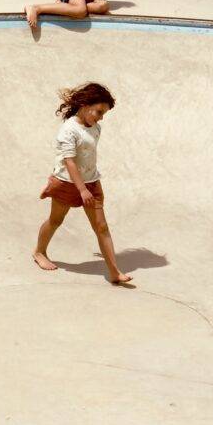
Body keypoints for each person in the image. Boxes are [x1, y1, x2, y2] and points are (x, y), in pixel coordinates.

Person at [34, 81, 134, 286]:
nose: (101, 117)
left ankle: (114, 272)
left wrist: (88, 186)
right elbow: (68, 161)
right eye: (98, 111)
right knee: (55, 221)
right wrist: (79, 189)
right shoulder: (68, 130)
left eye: (104, 113)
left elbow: (85, 157)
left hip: (92, 182)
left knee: (101, 227)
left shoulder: (96, 127)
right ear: (85, 105)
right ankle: (39, 252)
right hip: (68, 184)